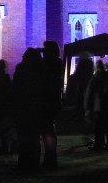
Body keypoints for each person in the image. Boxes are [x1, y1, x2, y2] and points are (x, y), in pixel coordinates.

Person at [13, 47, 44, 172]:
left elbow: (16, 88)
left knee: (24, 137)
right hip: (35, 108)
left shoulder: (21, 69)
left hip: (24, 107)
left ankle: (24, 163)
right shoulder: (41, 70)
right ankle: (33, 164)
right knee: (34, 138)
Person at [41, 41, 63, 169]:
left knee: (47, 131)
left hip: (48, 100)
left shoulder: (52, 64)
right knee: (49, 130)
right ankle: (50, 158)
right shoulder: (57, 62)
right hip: (53, 100)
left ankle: (50, 159)